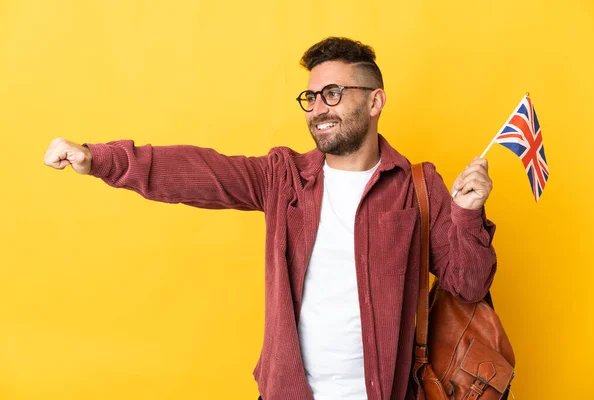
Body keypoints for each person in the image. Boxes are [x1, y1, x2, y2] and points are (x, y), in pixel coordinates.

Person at [43, 37, 496, 400]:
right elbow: (199, 171)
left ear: (375, 101)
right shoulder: (283, 177)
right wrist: (99, 160)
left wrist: (467, 215)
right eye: (311, 97)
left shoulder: (417, 186)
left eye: (333, 94)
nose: (318, 108)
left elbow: (469, 285)